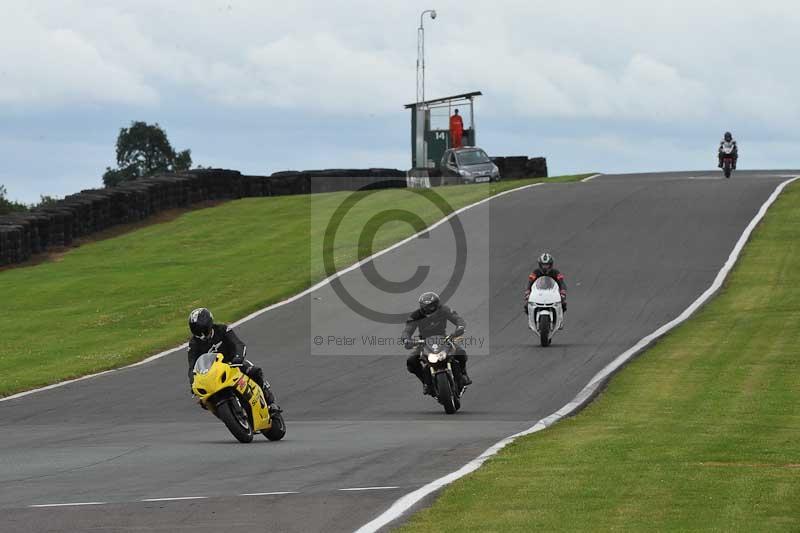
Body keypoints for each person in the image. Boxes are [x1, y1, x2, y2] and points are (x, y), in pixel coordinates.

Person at [187, 307, 279, 411]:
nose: (202, 335)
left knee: (254, 371)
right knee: (204, 401)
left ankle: (270, 402)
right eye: (197, 332)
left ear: (209, 324)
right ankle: (226, 414)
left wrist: (238, 358)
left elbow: (238, 344)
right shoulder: (193, 344)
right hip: (213, 374)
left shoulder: (222, 329)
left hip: (233, 364)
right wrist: (193, 383)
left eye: (203, 330)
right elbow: (192, 366)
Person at [402, 291, 471, 394]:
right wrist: (407, 340)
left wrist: (459, 328)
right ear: (422, 307)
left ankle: (463, 374)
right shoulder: (415, 316)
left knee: (461, 352)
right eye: (428, 307)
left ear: (437, 304)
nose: (431, 309)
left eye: (433, 305)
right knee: (411, 361)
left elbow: (457, 319)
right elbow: (407, 330)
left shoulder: (444, 309)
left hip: (444, 338)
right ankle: (425, 383)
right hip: (424, 342)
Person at [524, 252, 567, 320]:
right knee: (527, 305)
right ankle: (531, 319)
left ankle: (559, 319)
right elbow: (530, 282)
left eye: (547, 265)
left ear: (551, 265)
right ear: (540, 265)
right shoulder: (535, 272)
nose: (545, 267)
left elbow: (562, 282)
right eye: (543, 265)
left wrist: (563, 292)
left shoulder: (556, 272)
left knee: (563, 304)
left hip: (553, 293)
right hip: (538, 293)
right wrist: (527, 291)